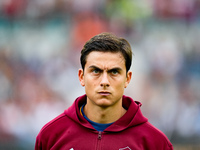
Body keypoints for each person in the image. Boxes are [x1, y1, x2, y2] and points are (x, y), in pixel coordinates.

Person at [35, 32, 173, 150]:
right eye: (96, 71)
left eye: (114, 72)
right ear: (81, 77)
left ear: (127, 78)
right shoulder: (51, 136)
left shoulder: (155, 143)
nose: (104, 81)